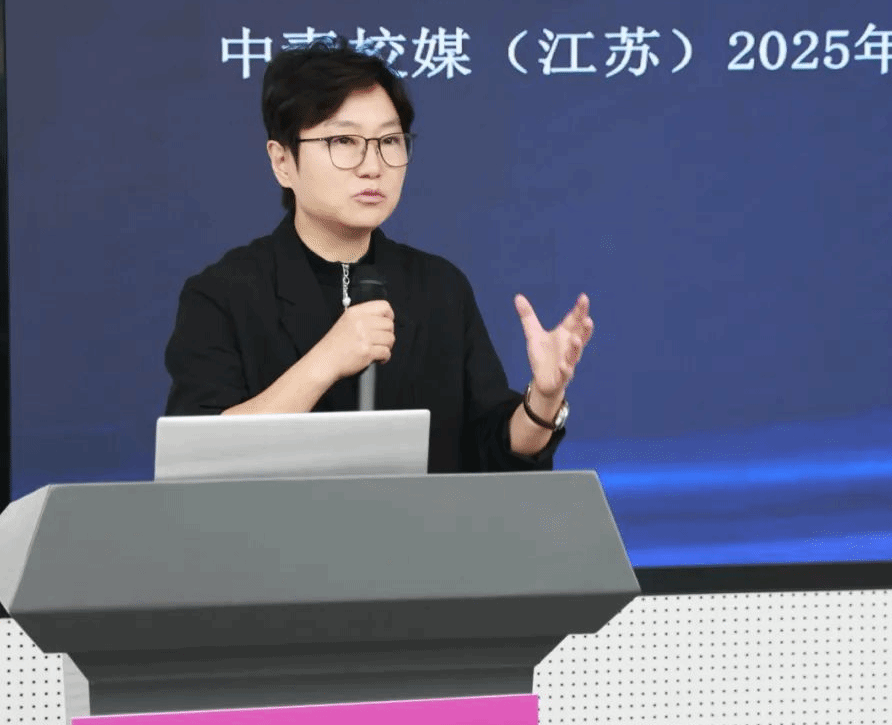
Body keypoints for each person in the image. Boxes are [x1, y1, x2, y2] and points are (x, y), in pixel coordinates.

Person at [164, 37, 593, 472]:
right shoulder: (223, 294)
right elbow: (199, 459)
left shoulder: (439, 288)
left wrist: (544, 398)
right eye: (343, 140)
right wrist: (326, 361)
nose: (373, 166)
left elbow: (493, 450)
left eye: (389, 140)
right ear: (283, 162)